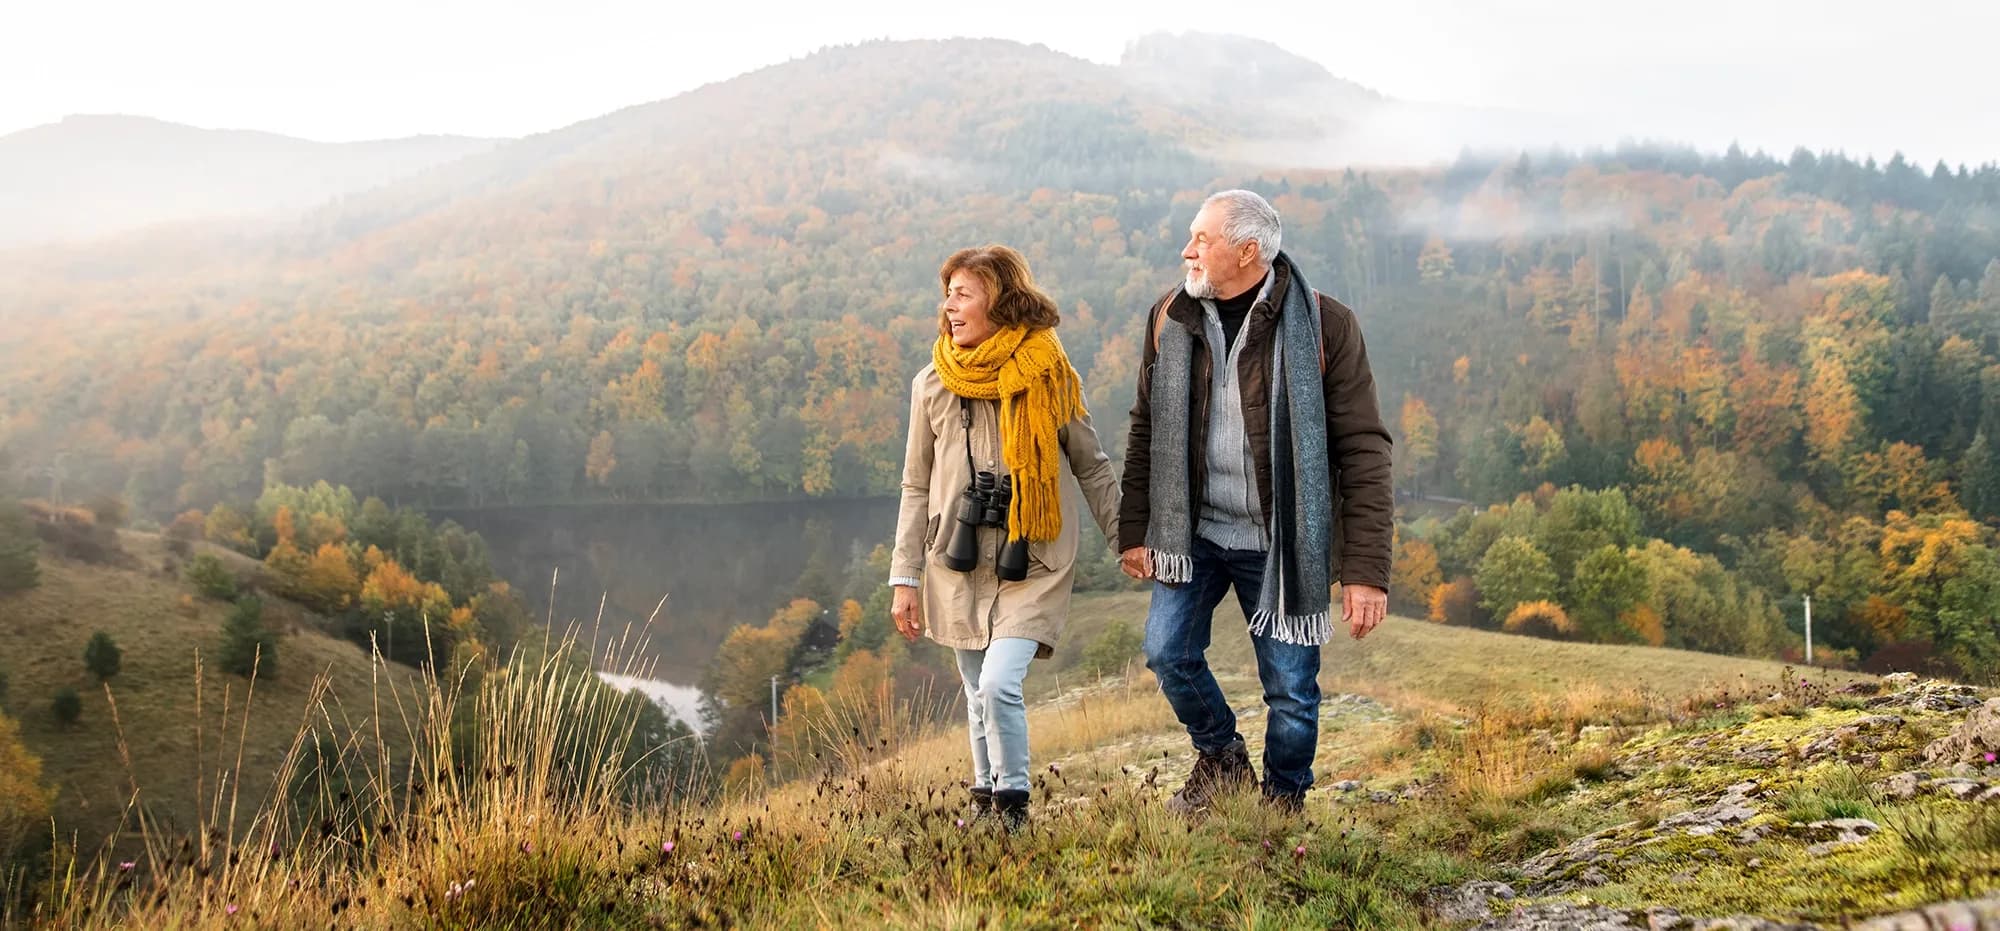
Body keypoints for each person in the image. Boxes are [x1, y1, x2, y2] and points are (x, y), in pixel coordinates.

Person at [1118, 189, 1393, 815]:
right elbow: (1146, 427)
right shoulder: (1170, 316)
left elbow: (1365, 451)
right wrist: (1136, 529)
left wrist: (1365, 572)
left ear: (1248, 252)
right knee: (1167, 651)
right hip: (1196, 532)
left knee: (1292, 691)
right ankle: (1221, 758)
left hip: (1283, 541)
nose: (1187, 251)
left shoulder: (1326, 326)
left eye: (1202, 240)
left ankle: (1283, 805)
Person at [889, 244, 1121, 830]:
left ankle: (1013, 808)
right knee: (975, 690)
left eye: (963, 294)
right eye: (948, 294)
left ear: (1000, 301)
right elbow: (915, 486)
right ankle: (985, 798)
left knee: (997, 684)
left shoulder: (1049, 377)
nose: (949, 307)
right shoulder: (931, 384)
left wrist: (1126, 539)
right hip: (956, 560)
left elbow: (1091, 465)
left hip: (1033, 558)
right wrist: (904, 576)